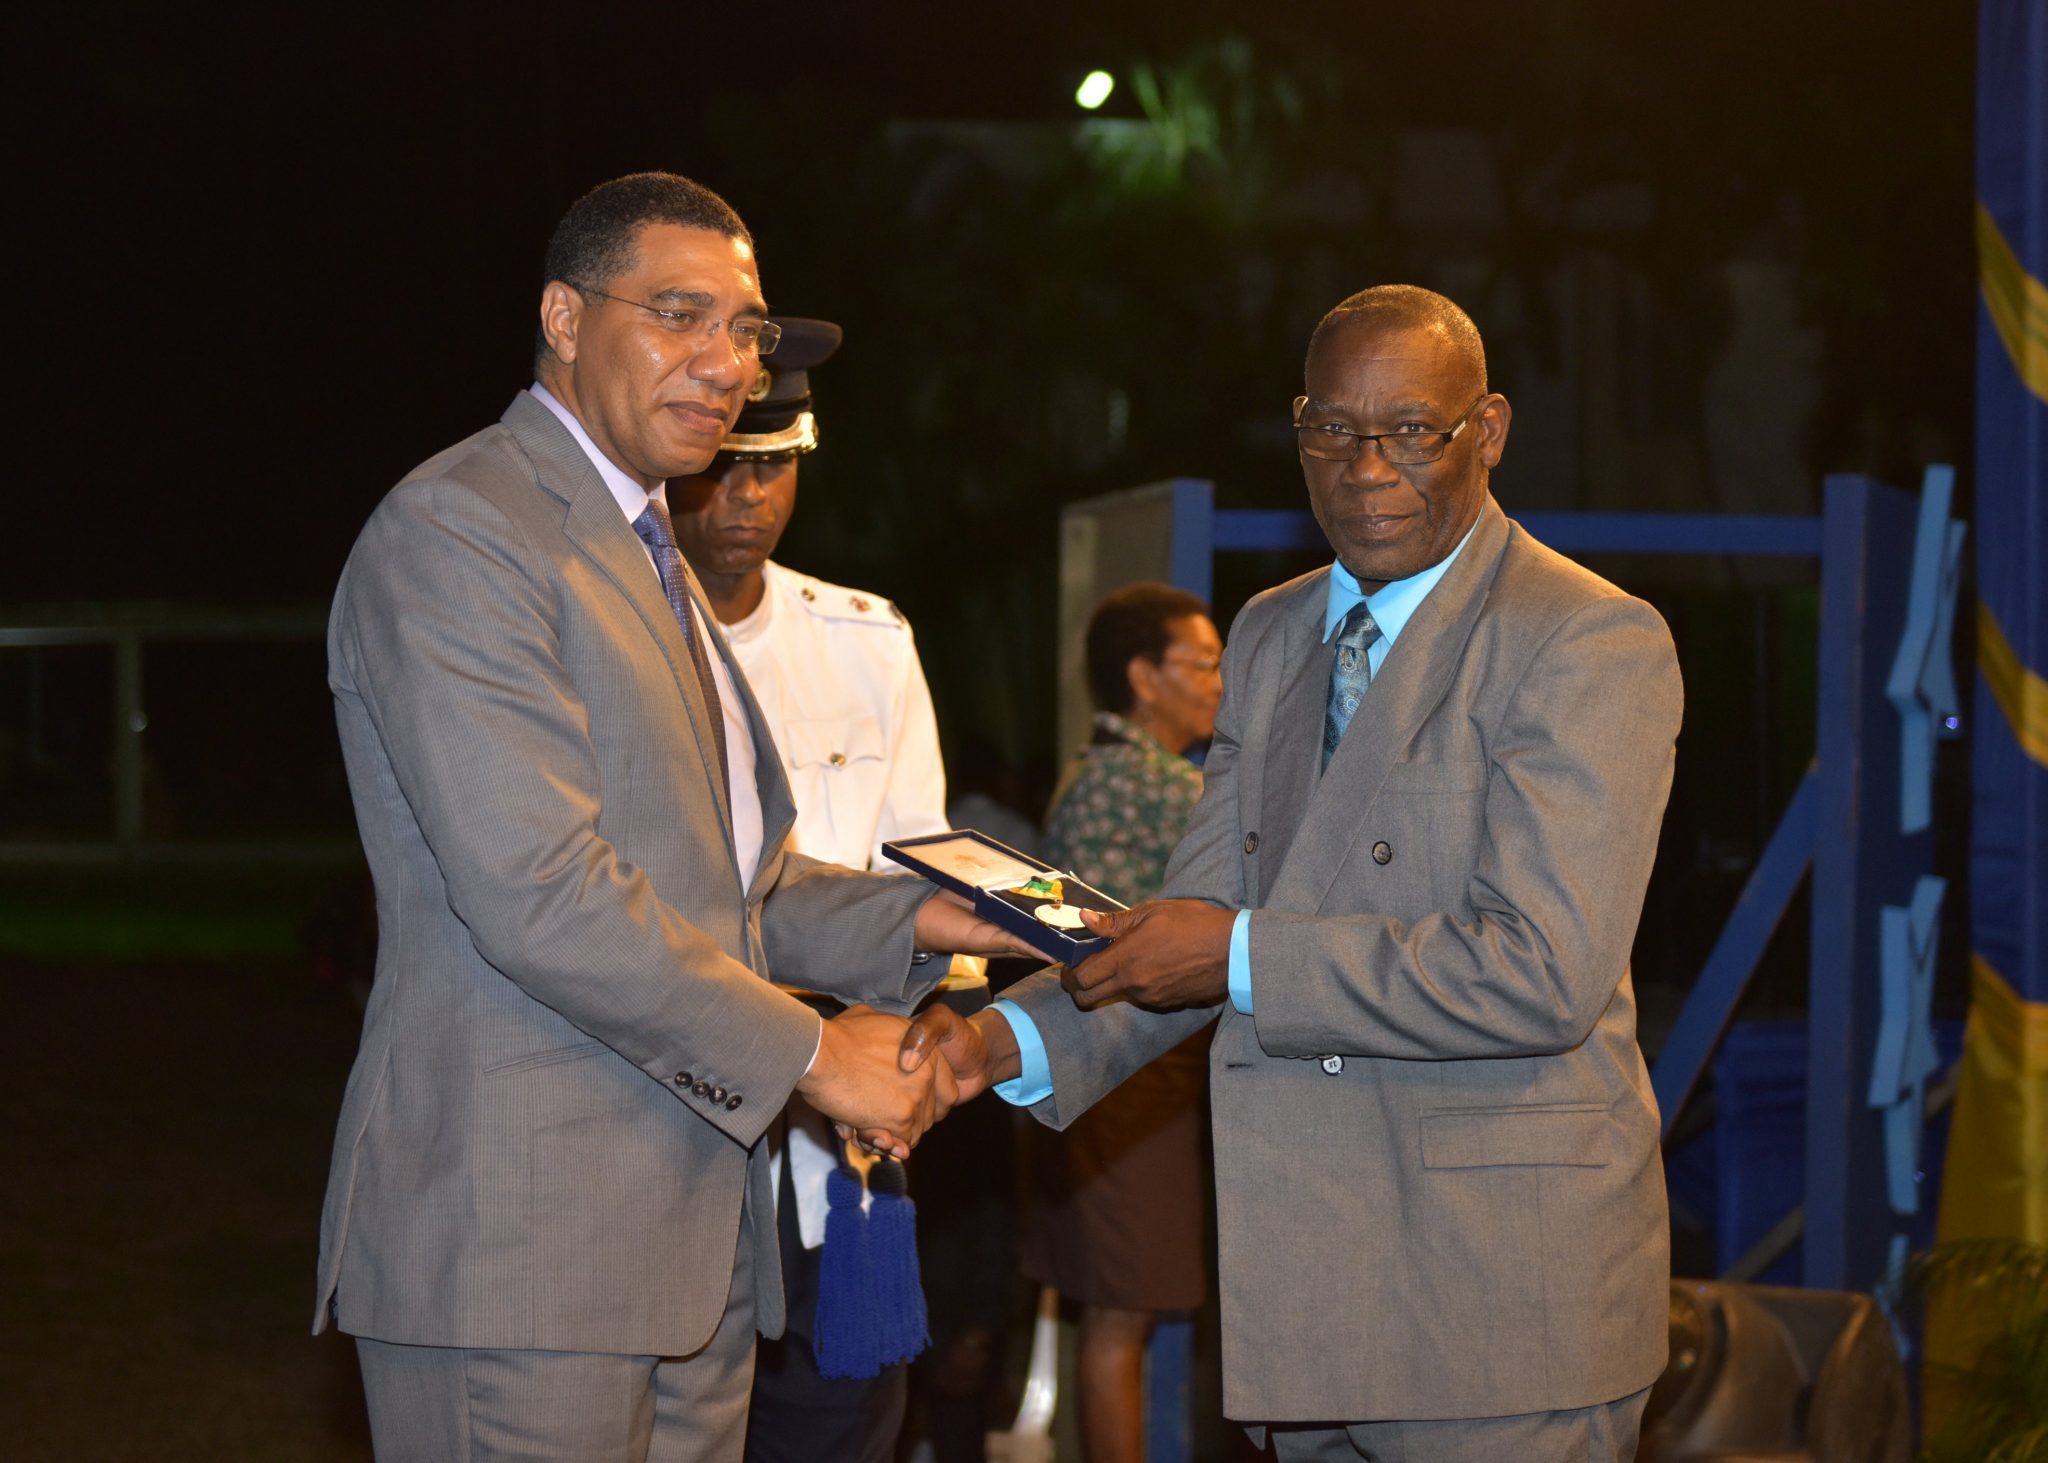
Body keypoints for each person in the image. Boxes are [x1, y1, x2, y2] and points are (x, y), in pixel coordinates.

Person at [313, 171, 1023, 1463]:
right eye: (681, 314)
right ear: (565, 317)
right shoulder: (463, 531)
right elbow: (547, 889)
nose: (727, 362)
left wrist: (929, 910)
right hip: (524, 1255)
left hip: (696, 1259)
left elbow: (724, 878)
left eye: (746, 331)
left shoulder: (651, 548)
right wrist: (817, 1055)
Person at [906, 285, 1684, 1462]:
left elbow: (1536, 968)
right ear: (1297, 429)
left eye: (1412, 430)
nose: (1366, 465)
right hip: (1307, 1293)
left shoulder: (1583, 636)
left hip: (1496, 1306)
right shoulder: (1271, 633)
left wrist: (1229, 950)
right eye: (1333, 430)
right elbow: (1181, 925)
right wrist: (992, 1046)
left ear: (1488, 429)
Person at [666, 316, 948, 1463]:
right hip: (680, 1115)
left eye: (774, 466)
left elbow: (918, 870)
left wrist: (926, 1043)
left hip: (841, 1138)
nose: (747, 498)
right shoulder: (627, 632)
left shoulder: (862, 640)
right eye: (727, 465)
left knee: (836, 1427)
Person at [1024, 581, 1222, 1463]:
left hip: (1139, 1087)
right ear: (1144, 677)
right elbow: (1089, 954)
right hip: (1123, 1081)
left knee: (1121, 1311)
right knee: (1120, 1314)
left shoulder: (1129, 775)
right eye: (1205, 663)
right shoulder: (1131, 780)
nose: (1221, 682)